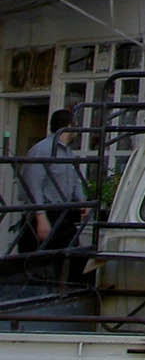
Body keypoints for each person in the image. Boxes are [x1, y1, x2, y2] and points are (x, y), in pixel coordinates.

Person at [16, 108, 86, 257]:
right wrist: (41, 217)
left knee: (71, 257)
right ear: (69, 126)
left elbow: (74, 180)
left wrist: (82, 203)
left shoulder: (67, 152)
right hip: (45, 213)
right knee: (38, 261)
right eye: (76, 125)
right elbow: (33, 184)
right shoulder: (42, 150)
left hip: (62, 213)